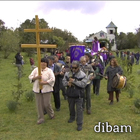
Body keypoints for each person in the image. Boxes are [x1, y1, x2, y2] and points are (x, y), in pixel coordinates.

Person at [62, 61, 88, 131]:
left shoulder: (82, 75)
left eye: (75, 68)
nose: (73, 69)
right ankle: (72, 117)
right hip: (70, 94)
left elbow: (83, 84)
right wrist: (68, 83)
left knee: (79, 110)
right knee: (71, 107)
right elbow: (63, 82)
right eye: (72, 67)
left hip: (79, 95)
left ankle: (79, 124)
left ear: (78, 67)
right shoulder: (67, 74)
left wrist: (74, 81)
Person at [28, 58, 55, 124]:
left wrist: (44, 83)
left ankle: (51, 114)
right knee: (39, 104)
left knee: (46, 104)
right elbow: (30, 77)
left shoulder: (49, 71)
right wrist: (37, 77)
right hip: (37, 89)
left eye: (45, 62)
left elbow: (52, 79)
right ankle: (41, 118)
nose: (43, 63)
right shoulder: (36, 70)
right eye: (42, 62)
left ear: (47, 64)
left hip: (47, 89)